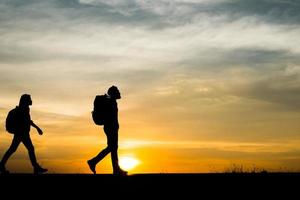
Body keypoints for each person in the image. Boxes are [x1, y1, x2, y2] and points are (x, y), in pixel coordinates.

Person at [0, 94, 47, 174]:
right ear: (25, 101)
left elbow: (28, 121)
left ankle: (1, 165)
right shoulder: (23, 109)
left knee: (13, 149)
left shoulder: (25, 109)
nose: (31, 101)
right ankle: (36, 167)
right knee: (29, 148)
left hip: (22, 133)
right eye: (29, 99)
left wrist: (37, 128)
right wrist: (37, 128)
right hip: (22, 133)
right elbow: (28, 121)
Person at [87, 86, 127, 175]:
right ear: (113, 93)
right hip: (111, 128)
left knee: (113, 148)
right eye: (117, 91)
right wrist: (115, 127)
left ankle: (116, 169)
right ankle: (93, 161)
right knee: (112, 147)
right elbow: (111, 118)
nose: (119, 92)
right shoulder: (111, 102)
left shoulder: (112, 102)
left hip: (111, 127)